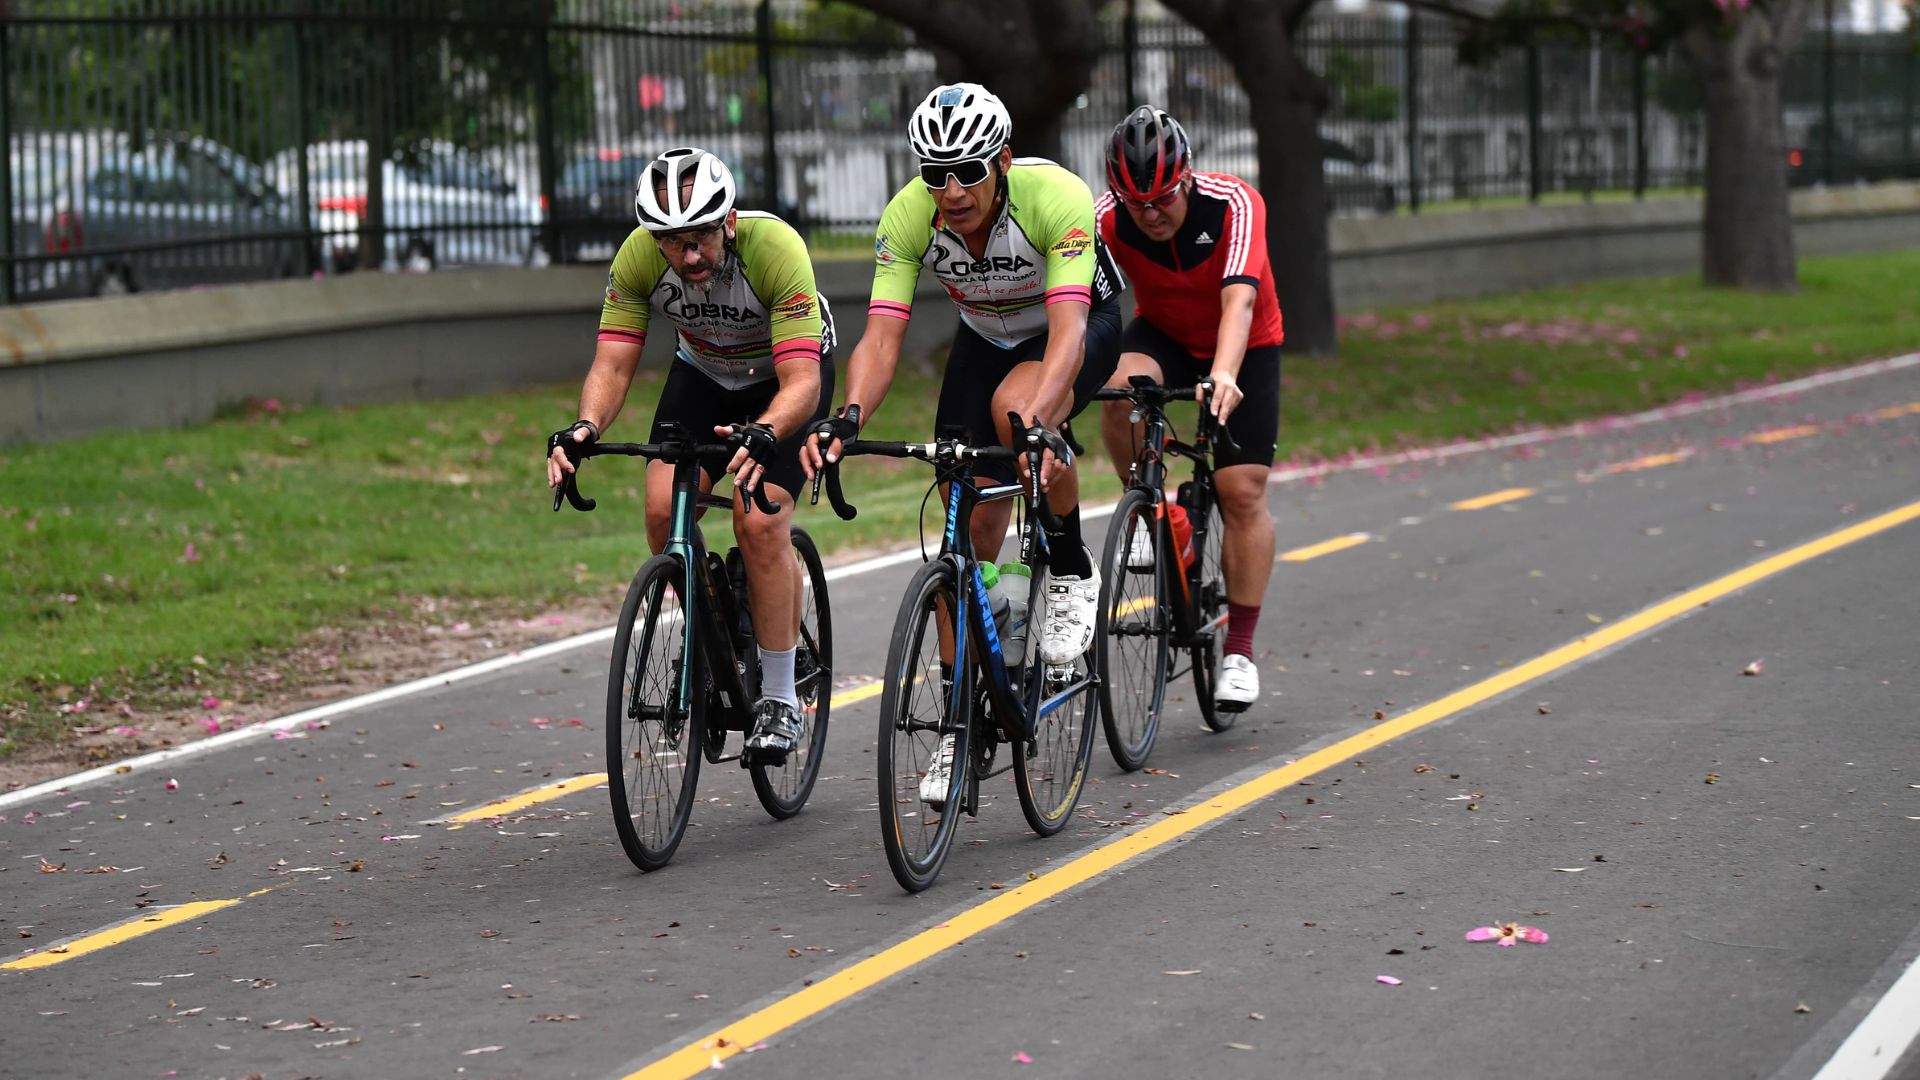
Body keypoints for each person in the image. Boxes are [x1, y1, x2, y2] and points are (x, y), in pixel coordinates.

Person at [803, 82, 1124, 801]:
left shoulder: (1056, 199)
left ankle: (1069, 565)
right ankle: (961, 723)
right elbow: (882, 337)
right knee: (960, 520)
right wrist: (847, 415)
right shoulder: (907, 217)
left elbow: (1069, 330)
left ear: (1003, 160)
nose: (950, 191)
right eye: (933, 174)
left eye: (968, 172)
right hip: (985, 335)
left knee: (1020, 414)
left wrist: (1042, 418)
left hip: (1073, 325)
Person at [546, 146, 834, 763]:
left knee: (757, 521)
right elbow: (613, 361)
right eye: (673, 242)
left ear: (728, 221)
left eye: (701, 235)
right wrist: (584, 427)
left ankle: (782, 697)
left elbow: (803, 383)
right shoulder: (638, 257)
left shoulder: (774, 249)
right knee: (661, 515)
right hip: (704, 374)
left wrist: (766, 431)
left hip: (784, 377)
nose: (690, 255)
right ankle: (721, 618)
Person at [1095, 106, 1282, 714]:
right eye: (1134, 202)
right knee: (1118, 389)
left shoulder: (1235, 204)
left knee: (1241, 492)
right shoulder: (1107, 218)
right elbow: (1076, 298)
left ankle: (1241, 651)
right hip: (1166, 335)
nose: (1149, 214)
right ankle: (1148, 504)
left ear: (1188, 178)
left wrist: (1224, 374)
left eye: (1162, 199)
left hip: (1244, 344)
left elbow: (1239, 305)